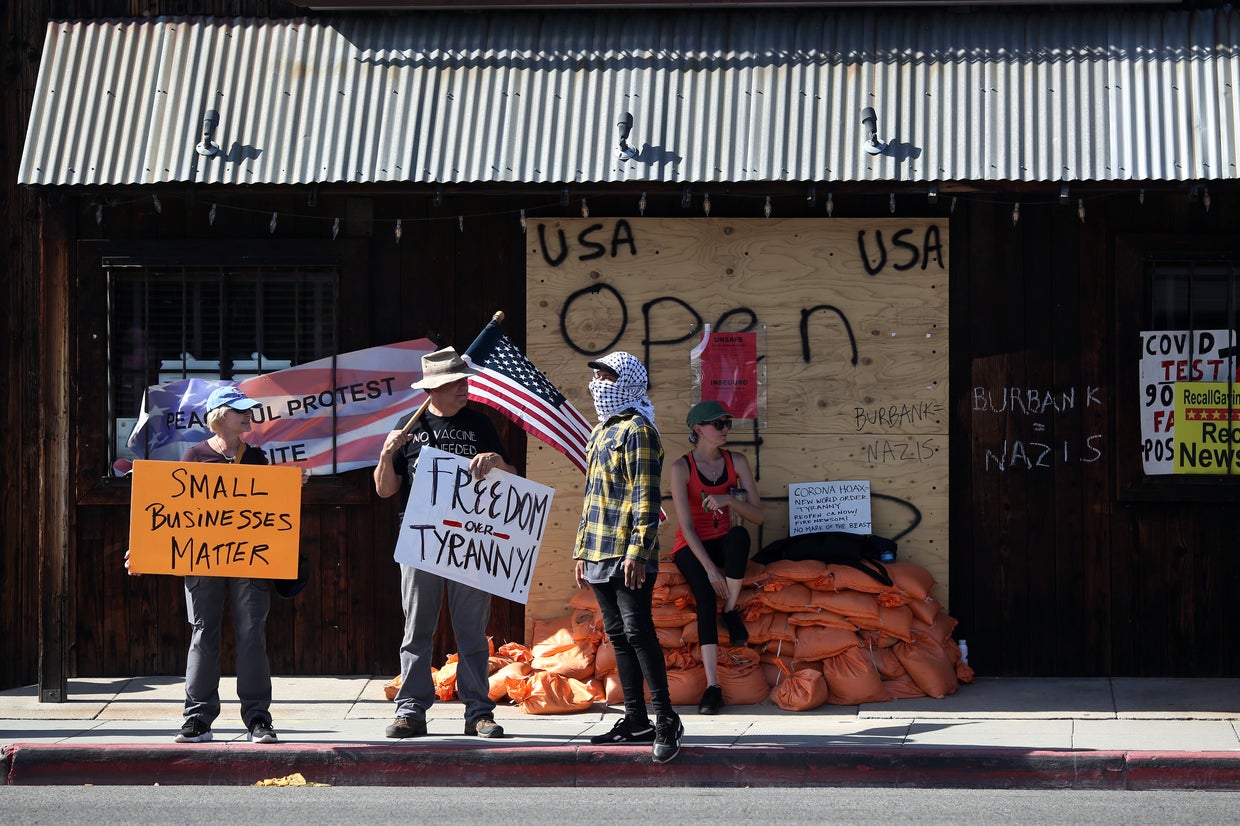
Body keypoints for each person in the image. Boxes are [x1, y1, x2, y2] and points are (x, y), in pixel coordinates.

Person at [374, 346, 516, 739]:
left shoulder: (480, 425)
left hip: (469, 538)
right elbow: (386, 491)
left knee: (472, 629)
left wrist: (497, 462)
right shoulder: (408, 426)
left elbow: (511, 474)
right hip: (420, 539)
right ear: (432, 390)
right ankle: (411, 711)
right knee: (416, 628)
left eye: (464, 381)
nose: (463, 389)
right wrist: (386, 455)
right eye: (455, 384)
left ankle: (478, 713)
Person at [127, 386, 280, 744]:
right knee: (203, 634)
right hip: (202, 562)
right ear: (219, 416)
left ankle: (258, 718)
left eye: (248, 409)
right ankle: (197, 719)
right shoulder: (194, 456)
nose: (248, 415)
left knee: (252, 636)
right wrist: (143, 550)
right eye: (240, 410)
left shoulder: (257, 458)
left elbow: (269, 512)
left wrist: (291, 486)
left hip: (249, 562)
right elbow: (170, 512)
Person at [573, 351, 683, 764]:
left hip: (628, 552)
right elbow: (591, 497)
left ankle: (667, 718)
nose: (598, 382)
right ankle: (635, 719)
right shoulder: (601, 432)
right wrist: (580, 550)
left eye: (605, 374)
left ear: (627, 382)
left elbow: (646, 496)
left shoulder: (640, 430)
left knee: (638, 631)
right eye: (597, 374)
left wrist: (638, 549)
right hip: (598, 549)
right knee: (617, 634)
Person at [668, 400, 764, 715]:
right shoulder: (682, 467)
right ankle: (713, 687)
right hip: (691, 546)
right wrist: (710, 569)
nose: (725, 429)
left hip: (723, 538)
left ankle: (732, 609)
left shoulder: (736, 461)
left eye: (727, 423)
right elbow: (686, 527)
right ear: (698, 429)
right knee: (706, 598)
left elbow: (759, 516)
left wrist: (729, 501)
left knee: (740, 536)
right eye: (717, 424)